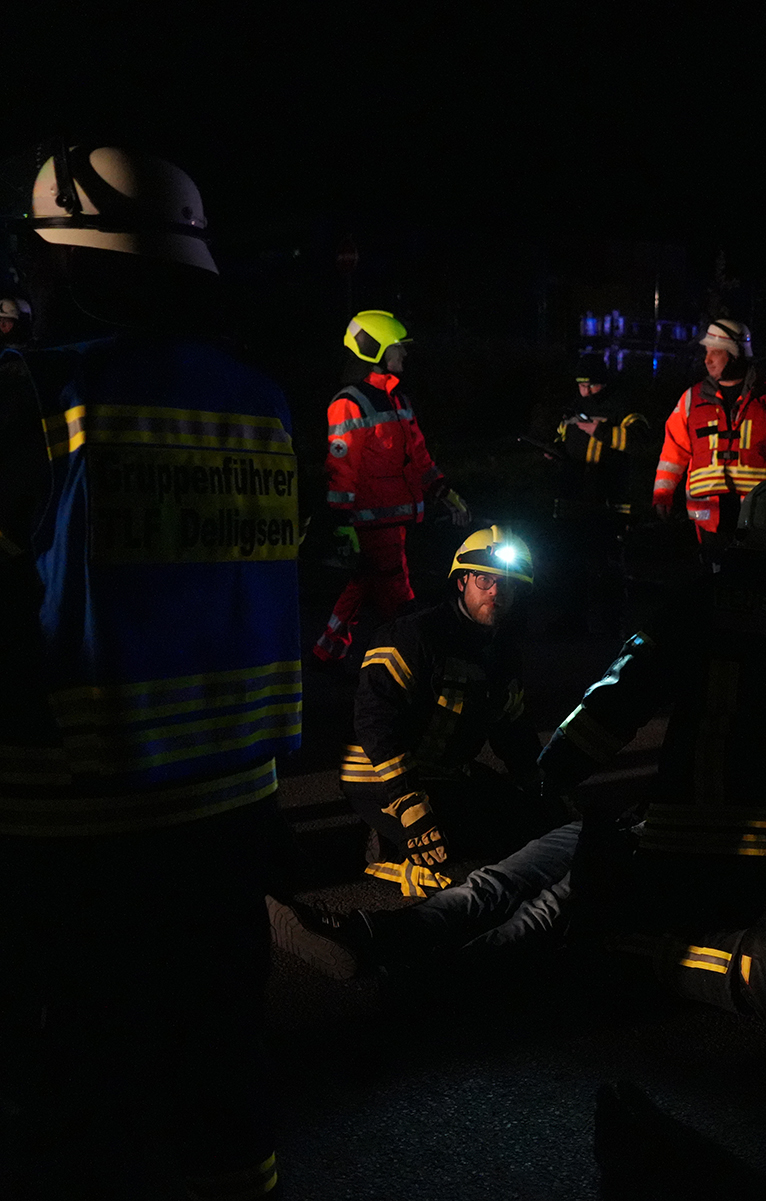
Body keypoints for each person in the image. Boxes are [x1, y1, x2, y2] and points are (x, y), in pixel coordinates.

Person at [273, 478, 766, 1046]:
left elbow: (616, 698)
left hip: (677, 839)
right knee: (550, 879)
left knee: (537, 890)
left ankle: (393, 956)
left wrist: (552, 773)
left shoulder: (700, 607)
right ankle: (392, 955)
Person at [0, 146, 295, 1200]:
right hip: (232, 803)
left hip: (68, 819)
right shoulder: (261, 400)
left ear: (67, 263)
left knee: (76, 1093)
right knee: (219, 1066)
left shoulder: (38, 396)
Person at [343, 526, 565, 896]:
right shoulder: (412, 636)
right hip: (378, 774)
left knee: (531, 831)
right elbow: (375, 722)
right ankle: (390, 855)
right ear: (462, 582)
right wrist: (409, 802)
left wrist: (544, 792)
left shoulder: (502, 653)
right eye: (484, 579)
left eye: (507, 585)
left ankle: (403, 834)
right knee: (470, 873)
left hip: (445, 774)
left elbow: (513, 732)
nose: (496, 592)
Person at [311, 309, 471, 664]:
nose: (404, 353)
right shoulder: (350, 403)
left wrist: (445, 492)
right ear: (376, 350)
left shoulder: (399, 399)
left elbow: (419, 455)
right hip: (371, 522)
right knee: (398, 593)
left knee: (364, 584)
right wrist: (342, 523)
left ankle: (328, 651)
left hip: (392, 519)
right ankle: (414, 659)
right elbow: (341, 468)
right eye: (398, 346)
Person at [652, 319, 766, 565]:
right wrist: (663, 494)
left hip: (760, 515)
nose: (707, 360)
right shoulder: (691, 399)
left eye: (715, 352)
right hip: (708, 515)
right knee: (713, 578)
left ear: (735, 355)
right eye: (706, 352)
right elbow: (673, 453)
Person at [543, 353, 650, 635]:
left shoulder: (622, 407)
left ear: (605, 382)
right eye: (582, 386)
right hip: (574, 500)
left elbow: (640, 440)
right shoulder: (573, 409)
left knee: (607, 565)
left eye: (592, 385)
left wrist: (600, 431)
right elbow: (562, 439)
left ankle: (610, 625)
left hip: (609, 502)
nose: (587, 391)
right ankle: (571, 622)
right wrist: (554, 451)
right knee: (570, 564)